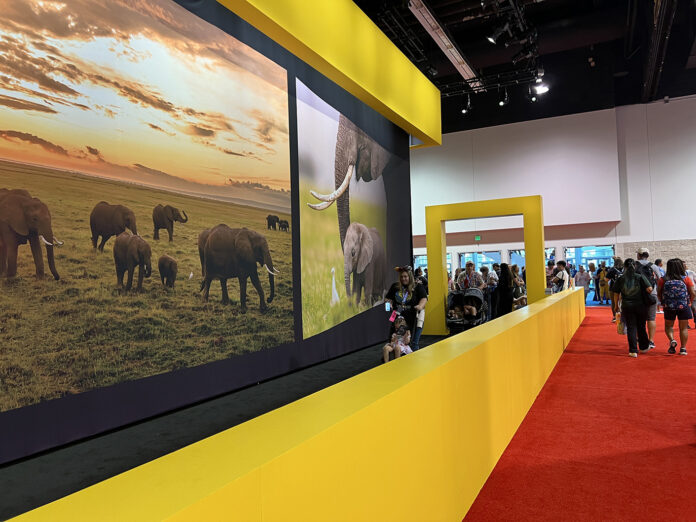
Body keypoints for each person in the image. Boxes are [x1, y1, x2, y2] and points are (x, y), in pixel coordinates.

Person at [612, 258, 654, 357]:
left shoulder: (621, 278)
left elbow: (616, 293)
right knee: (641, 326)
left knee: (631, 327)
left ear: (625, 267)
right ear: (634, 266)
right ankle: (643, 347)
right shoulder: (640, 277)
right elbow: (649, 289)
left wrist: (616, 306)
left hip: (627, 306)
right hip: (641, 305)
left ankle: (633, 350)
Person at [657, 259, 695, 355]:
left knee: (669, 326)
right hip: (684, 306)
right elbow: (693, 293)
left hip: (669, 306)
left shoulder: (663, 279)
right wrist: (689, 302)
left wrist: (663, 302)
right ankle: (683, 349)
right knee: (683, 328)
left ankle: (672, 340)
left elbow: (659, 293)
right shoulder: (685, 279)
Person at [385, 266, 428, 351]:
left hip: (414, 314)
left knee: (413, 340)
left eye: (405, 276)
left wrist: (420, 306)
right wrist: (388, 304)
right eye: (401, 277)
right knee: (392, 336)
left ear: (410, 276)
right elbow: (387, 298)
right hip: (397, 313)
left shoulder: (417, 286)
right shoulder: (395, 286)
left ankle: (413, 353)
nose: (403, 279)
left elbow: (424, 298)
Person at [636, 248, 661, 349]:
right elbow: (660, 279)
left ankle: (640, 339)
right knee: (651, 318)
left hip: (637, 295)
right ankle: (651, 341)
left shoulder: (633, 265)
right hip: (652, 294)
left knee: (638, 319)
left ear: (639, 255)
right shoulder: (653, 266)